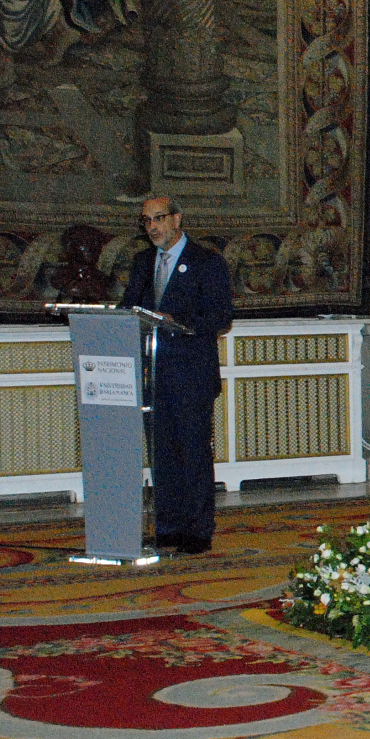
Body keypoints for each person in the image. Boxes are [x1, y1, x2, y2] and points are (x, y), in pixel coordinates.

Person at [120, 196, 233, 555]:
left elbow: (221, 316)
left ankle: (198, 530)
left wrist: (178, 323)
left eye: (158, 219)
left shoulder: (206, 262)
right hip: (154, 374)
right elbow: (129, 308)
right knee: (162, 453)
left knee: (193, 453)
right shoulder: (142, 263)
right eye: (146, 221)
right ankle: (168, 528)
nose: (152, 227)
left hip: (191, 373)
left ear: (177, 218)